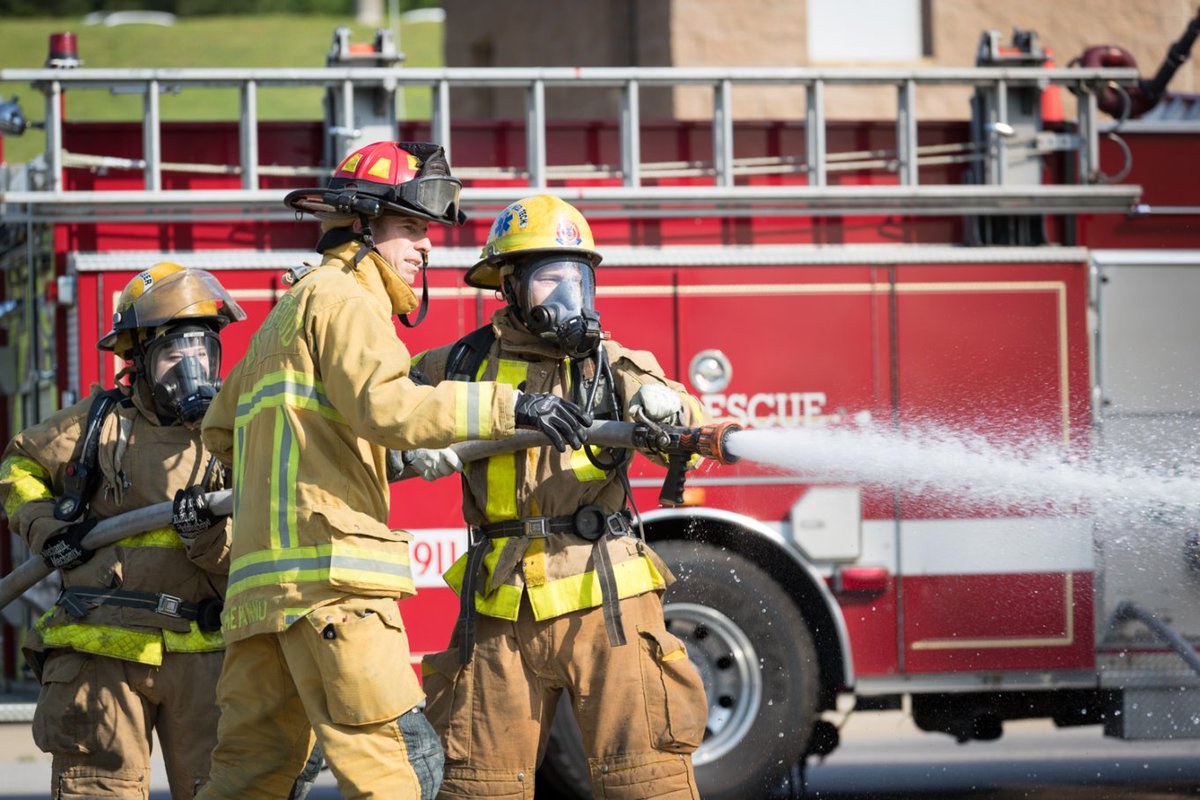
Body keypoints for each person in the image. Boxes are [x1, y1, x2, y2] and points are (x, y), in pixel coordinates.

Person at [196, 143, 591, 800]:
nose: (426, 247)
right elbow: (388, 406)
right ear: (360, 225)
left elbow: (220, 429)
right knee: (401, 771)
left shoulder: (287, 311)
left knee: (249, 781)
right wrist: (513, 404)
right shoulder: (348, 300)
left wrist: (352, 451)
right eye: (410, 228)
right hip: (337, 590)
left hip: (263, 602)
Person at [411, 195, 710, 799]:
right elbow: (377, 406)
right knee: (478, 787)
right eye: (551, 277)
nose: (571, 294)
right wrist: (416, 440)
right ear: (510, 286)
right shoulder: (461, 366)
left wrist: (671, 410)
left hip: (609, 601)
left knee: (646, 783)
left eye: (579, 278)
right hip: (499, 607)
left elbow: (688, 433)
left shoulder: (612, 364)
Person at [0, 263, 243, 799]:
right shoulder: (97, 424)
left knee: (222, 791)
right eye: (175, 353)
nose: (193, 368)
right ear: (140, 358)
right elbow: (18, 465)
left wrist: (205, 533)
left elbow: (258, 540)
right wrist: (48, 528)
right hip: (102, 654)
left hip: (203, 653)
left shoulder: (234, 433)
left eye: (203, 351)